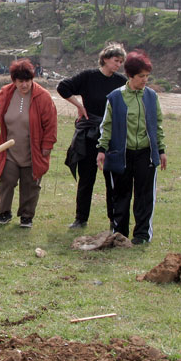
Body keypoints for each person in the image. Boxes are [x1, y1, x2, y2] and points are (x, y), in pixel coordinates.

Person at [0, 59, 57, 228]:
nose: (24, 85)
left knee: (30, 184)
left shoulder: (43, 97)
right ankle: (4, 212)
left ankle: (26, 216)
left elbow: (51, 124)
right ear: (14, 80)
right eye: (21, 81)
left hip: (32, 151)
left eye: (28, 81)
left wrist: (47, 145)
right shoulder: (6, 93)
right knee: (5, 179)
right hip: (9, 150)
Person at [96, 51, 166, 245]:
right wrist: (102, 150)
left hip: (145, 154)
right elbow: (106, 126)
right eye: (141, 76)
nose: (145, 80)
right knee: (121, 195)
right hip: (121, 154)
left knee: (144, 197)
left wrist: (161, 150)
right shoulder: (115, 97)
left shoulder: (151, 96)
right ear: (130, 76)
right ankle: (120, 234)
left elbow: (157, 124)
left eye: (147, 76)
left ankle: (142, 235)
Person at [58, 42, 127, 229]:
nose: (118, 65)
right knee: (86, 177)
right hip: (89, 133)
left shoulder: (121, 83)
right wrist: (79, 106)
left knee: (111, 179)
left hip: (112, 134)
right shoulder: (88, 77)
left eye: (121, 62)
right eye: (115, 60)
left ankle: (114, 220)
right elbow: (63, 87)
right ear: (105, 59)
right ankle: (81, 219)